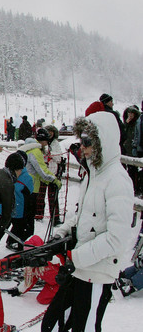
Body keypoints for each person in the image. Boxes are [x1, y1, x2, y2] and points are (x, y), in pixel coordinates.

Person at [41, 112, 136, 332]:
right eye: (80, 140)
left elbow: (116, 238)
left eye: (87, 141)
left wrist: (76, 256)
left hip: (97, 273)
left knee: (83, 327)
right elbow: (83, 215)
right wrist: (61, 233)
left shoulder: (117, 180)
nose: (81, 147)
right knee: (53, 324)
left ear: (103, 142)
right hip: (80, 268)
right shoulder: (93, 174)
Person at [0, 151, 34, 251]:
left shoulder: (5, 173)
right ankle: (15, 243)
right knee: (19, 227)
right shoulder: (27, 177)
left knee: (1, 227)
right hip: (18, 208)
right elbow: (30, 192)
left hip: (4, 207)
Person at [19, 130, 58, 221]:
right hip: (31, 186)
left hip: (27, 184)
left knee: (26, 216)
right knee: (28, 218)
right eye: (46, 140)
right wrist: (54, 180)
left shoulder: (32, 148)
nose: (47, 142)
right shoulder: (36, 151)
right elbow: (41, 170)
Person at [44, 125, 66, 225]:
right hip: (43, 173)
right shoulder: (43, 143)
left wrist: (50, 153)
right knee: (40, 195)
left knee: (52, 196)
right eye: (48, 131)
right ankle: (38, 215)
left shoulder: (56, 144)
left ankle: (55, 217)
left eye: (51, 131)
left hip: (53, 173)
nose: (50, 133)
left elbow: (59, 158)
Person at [122, 105, 140, 194]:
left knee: (133, 170)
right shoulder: (126, 124)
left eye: (132, 113)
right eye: (129, 113)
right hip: (126, 149)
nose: (130, 115)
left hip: (133, 150)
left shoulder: (137, 124)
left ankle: (135, 188)